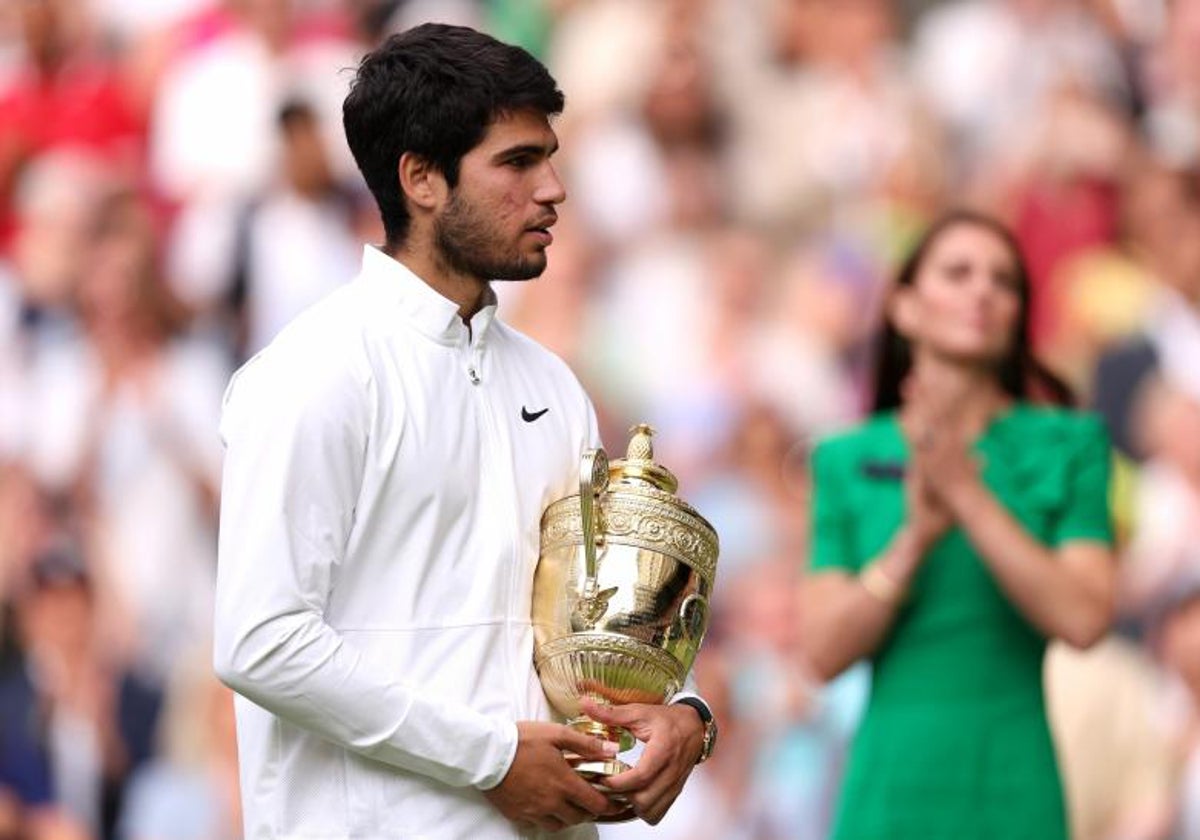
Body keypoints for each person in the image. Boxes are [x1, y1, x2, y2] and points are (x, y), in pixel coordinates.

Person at [213, 23, 710, 840]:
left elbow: (581, 640)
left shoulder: (554, 386)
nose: (554, 188)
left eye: (548, 157)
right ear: (422, 179)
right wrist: (488, 758)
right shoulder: (313, 372)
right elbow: (260, 641)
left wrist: (685, 717)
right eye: (517, 162)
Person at [800, 209, 1117, 839]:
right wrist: (915, 537)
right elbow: (822, 650)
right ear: (905, 307)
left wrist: (968, 497)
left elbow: (1084, 617)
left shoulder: (1069, 442)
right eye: (958, 272)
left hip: (1013, 779)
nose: (983, 291)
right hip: (890, 787)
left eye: (1005, 281)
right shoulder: (846, 458)